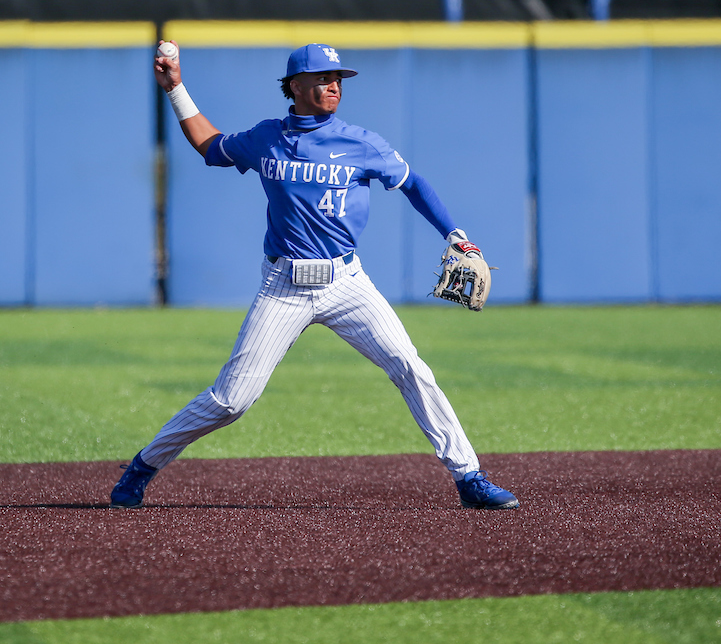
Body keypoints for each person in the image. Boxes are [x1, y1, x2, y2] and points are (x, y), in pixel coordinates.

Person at [110, 42, 518, 511]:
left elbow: (413, 183)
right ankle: (143, 466)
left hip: (347, 283)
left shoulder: (361, 142)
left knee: (410, 366)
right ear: (295, 87)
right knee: (231, 401)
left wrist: (454, 234)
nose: (334, 86)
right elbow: (210, 146)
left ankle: (469, 477)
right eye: (324, 78)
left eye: (338, 78)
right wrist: (176, 89)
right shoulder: (266, 138)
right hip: (283, 286)